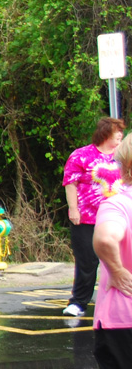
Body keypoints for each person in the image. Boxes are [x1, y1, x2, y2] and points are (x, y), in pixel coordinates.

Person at [63, 117, 124, 317]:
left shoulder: (123, 155)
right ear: (106, 134)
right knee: (87, 261)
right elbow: (70, 182)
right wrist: (73, 209)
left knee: (121, 259)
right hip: (87, 217)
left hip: (117, 217)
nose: (120, 139)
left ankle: (122, 300)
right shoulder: (81, 155)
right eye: (118, 135)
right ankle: (79, 302)